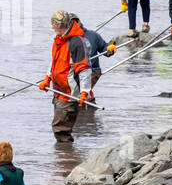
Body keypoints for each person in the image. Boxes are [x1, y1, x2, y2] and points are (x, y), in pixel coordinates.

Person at [37, 10, 92, 142]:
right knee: (60, 127)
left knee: (60, 128)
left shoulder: (76, 42)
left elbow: (84, 69)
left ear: (60, 25)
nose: (52, 27)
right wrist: (47, 78)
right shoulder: (59, 40)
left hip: (69, 92)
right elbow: (54, 61)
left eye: (53, 25)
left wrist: (84, 92)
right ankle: (66, 156)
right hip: (59, 90)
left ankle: (66, 159)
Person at [81, 18, 115, 98]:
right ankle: (89, 105)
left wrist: (110, 49)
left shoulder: (92, 35)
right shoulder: (66, 37)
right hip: (74, 71)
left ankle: (88, 105)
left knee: (83, 93)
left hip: (93, 70)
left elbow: (103, 48)